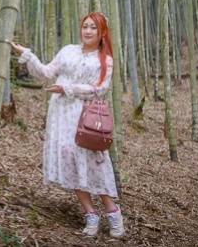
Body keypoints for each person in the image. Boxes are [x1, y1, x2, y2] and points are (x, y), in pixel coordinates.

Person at [11, 12, 125, 238]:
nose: (88, 31)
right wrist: (28, 55)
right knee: (70, 159)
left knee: (94, 162)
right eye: (85, 26)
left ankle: (113, 212)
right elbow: (46, 74)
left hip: (87, 116)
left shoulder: (106, 59)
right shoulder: (67, 51)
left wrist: (69, 89)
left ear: (102, 32)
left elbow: (100, 89)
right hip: (62, 115)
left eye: (93, 27)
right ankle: (90, 214)